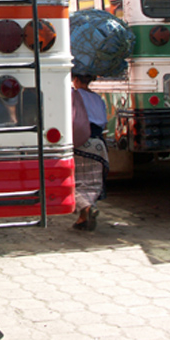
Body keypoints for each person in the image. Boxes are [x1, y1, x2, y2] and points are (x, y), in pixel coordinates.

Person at [71, 74, 109, 231]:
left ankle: (87, 207)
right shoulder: (98, 98)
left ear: (77, 80)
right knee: (94, 183)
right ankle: (83, 218)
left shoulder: (74, 95)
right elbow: (104, 122)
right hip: (99, 145)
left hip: (82, 143)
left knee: (76, 181)